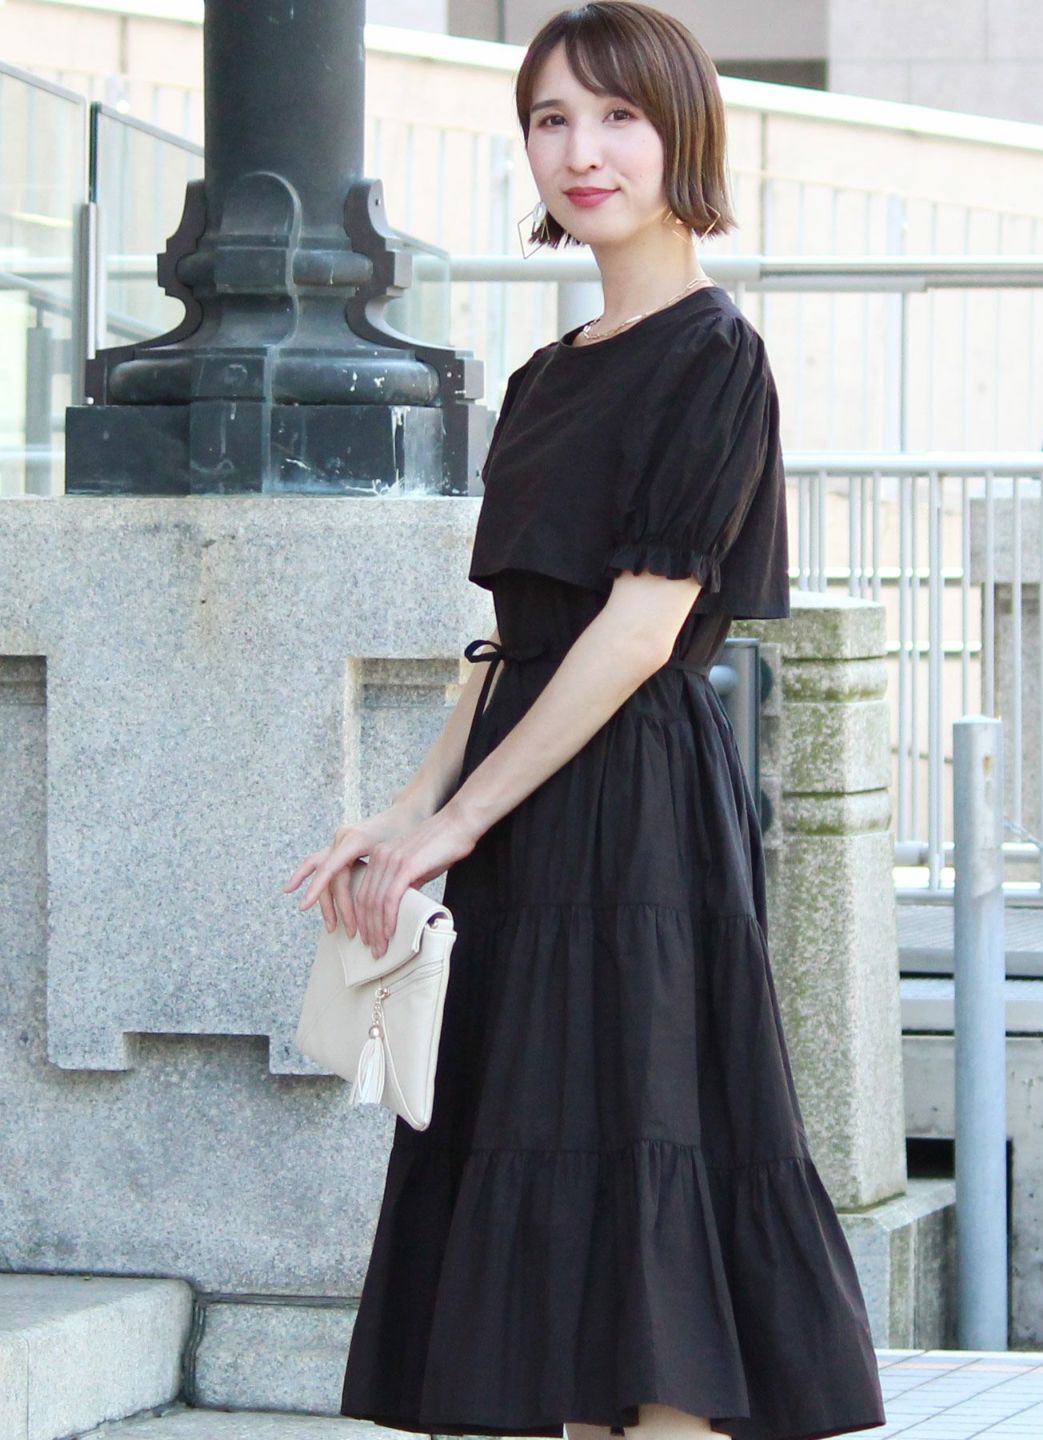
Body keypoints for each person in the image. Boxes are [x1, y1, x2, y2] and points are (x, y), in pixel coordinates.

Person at [283, 5, 887, 1439]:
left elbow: (637, 630)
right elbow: (515, 636)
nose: (582, 151)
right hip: (527, 809)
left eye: (617, 115)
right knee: (562, 1226)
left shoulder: (716, 354)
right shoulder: (546, 375)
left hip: (638, 811)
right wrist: (406, 811)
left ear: (683, 135)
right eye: (551, 119)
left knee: (649, 1168)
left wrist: (458, 820)